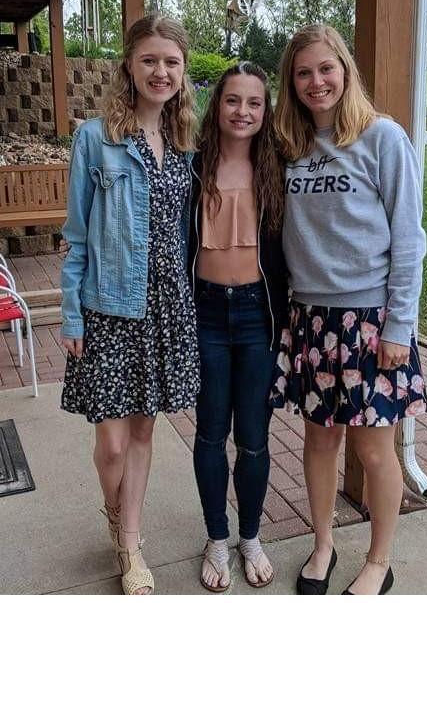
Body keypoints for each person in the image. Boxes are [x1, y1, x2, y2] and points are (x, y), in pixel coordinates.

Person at [269, 24, 427, 595]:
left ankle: (379, 562)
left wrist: (399, 326)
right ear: (292, 81)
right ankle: (323, 545)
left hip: (370, 322)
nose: (316, 82)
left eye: (326, 69)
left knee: (372, 446)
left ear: (345, 70)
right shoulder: (290, 143)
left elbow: (410, 238)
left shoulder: (383, 138)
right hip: (310, 319)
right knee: (318, 441)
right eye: (304, 72)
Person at [60, 14, 200, 595]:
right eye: (149, 60)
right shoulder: (95, 139)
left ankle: (131, 544)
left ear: (183, 70)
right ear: (130, 66)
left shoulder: (189, 142)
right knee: (111, 443)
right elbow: (76, 235)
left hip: (169, 306)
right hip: (111, 307)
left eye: (171, 61)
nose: (160, 71)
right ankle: (117, 517)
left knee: (143, 432)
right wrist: (71, 312)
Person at [188, 62, 288, 592]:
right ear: (217, 104)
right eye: (232, 101)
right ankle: (217, 538)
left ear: (265, 109)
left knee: (252, 437)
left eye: (254, 103)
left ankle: (250, 536)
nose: (243, 112)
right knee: (209, 433)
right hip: (205, 312)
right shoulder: (192, 166)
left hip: (257, 317)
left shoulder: (279, 167)